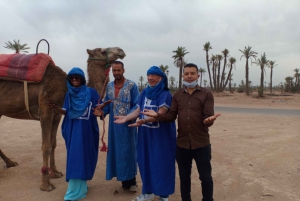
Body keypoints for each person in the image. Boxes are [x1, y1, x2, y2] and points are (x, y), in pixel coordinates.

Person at [142, 63, 221, 201]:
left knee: (205, 177)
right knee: (184, 177)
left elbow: (208, 115)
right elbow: (171, 116)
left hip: (201, 143)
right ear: (183, 76)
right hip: (182, 144)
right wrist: (157, 116)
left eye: (192, 73)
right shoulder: (177, 95)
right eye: (186, 74)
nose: (189, 76)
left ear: (198, 75)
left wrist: (209, 120)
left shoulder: (206, 94)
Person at [114, 66, 176, 201]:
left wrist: (144, 120)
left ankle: (163, 195)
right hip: (145, 136)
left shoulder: (165, 94)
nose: (150, 78)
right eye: (148, 75)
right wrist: (127, 117)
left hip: (161, 138)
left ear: (161, 78)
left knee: (161, 163)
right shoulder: (144, 93)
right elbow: (138, 109)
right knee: (145, 162)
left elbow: (160, 114)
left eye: (154, 75)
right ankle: (147, 192)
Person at [49, 67, 103, 201]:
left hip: (88, 132)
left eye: (77, 77)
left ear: (82, 79)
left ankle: (83, 186)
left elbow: (100, 108)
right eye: (72, 77)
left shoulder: (91, 92)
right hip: (74, 132)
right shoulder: (69, 94)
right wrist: (58, 109)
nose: (74, 79)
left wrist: (101, 111)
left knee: (86, 157)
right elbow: (67, 111)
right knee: (75, 159)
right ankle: (73, 191)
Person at [93, 61, 140, 195]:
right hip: (114, 127)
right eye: (114, 70)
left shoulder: (132, 86)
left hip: (128, 126)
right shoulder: (108, 86)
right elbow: (107, 105)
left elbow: (137, 105)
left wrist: (127, 117)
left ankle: (132, 182)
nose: (116, 73)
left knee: (128, 151)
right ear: (112, 71)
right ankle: (123, 181)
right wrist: (101, 112)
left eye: (119, 70)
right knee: (117, 152)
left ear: (123, 70)